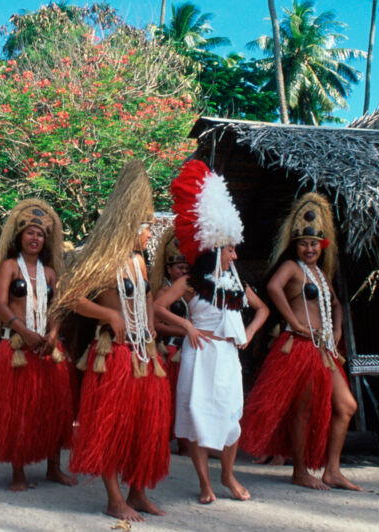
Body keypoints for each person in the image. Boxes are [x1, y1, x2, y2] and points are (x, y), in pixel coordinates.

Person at [51, 161, 170, 522]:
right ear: (132, 226)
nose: (149, 234)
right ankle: (114, 499)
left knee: (145, 428)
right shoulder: (103, 260)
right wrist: (110, 316)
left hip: (144, 354)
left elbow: (147, 299)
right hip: (114, 356)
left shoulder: (140, 262)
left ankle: (138, 492)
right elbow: (68, 296)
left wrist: (150, 329)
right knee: (112, 426)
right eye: (146, 227)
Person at [155, 159, 270, 503]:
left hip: (227, 355)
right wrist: (187, 324)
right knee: (198, 420)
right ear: (217, 248)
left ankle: (228, 475)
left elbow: (263, 308)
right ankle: (205, 484)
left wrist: (248, 333)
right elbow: (157, 307)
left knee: (232, 415)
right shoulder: (190, 283)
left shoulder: (237, 282)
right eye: (231, 248)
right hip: (199, 354)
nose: (235, 254)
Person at [239, 192, 361, 491]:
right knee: (303, 410)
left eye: (314, 244)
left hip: (324, 349)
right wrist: (292, 322)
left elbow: (336, 304)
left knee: (346, 406)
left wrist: (337, 332)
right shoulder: (292, 268)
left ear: (323, 246)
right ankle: (300, 470)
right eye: (304, 243)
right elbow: (273, 287)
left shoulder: (320, 273)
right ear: (296, 245)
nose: (309, 248)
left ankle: (331, 470)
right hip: (299, 346)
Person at [0, 199, 77, 491]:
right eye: (30, 233)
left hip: (47, 350)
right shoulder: (8, 267)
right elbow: (1, 304)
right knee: (19, 413)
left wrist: (52, 333)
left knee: (54, 410)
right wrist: (24, 331)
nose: (35, 238)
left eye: (40, 234)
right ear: (20, 236)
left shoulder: (51, 272)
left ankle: (54, 468)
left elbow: (59, 308)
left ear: (46, 239)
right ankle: (19, 474)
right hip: (16, 347)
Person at [150, 230, 191, 455]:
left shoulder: (191, 289)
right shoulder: (164, 291)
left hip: (188, 349)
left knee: (184, 396)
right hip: (170, 350)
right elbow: (155, 324)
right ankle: (162, 440)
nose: (183, 271)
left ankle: (185, 442)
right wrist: (182, 330)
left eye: (186, 268)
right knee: (168, 396)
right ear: (168, 269)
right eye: (179, 268)